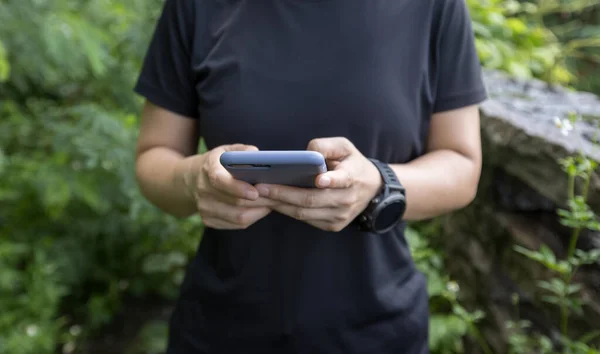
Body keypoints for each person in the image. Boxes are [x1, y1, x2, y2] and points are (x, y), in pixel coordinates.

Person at [133, 0, 486, 353]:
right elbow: (154, 156)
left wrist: (378, 185)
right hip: (220, 328)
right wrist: (193, 180)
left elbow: (461, 164)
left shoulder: (433, 7)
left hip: (378, 332)